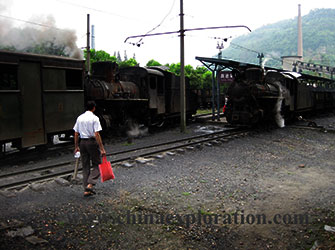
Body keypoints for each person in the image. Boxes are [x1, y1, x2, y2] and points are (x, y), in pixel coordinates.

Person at [73, 101, 106, 197]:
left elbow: (76, 133)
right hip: (92, 142)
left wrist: (76, 146)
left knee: (85, 165)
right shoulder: (94, 118)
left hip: (82, 142)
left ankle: (86, 189)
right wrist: (102, 148)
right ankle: (90, 184)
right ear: (94, 108)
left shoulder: (80, 118)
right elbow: (97, 134)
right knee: (97, 164)